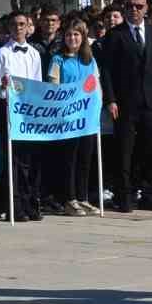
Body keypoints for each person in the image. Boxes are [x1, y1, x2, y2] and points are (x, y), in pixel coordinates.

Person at [98, 0, 152, 213]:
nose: (134, 10)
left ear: (146, 8)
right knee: (125, 152)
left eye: (139, 6)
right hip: (125, 103)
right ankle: (124, 196)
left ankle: (148, 193)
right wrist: (110, 99)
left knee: (149, 150)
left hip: (151, 102)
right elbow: (107, 71)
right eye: (130, 6)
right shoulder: (115, 35)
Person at [0, 10, 45, 221]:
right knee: (12, 161)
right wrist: (5, 88)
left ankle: (30, 202)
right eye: (14, 24)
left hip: (28, 114)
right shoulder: (2, 53)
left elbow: (38, 85)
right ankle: (15, 206)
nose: (18, 28)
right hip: (9, 112)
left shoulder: (33, 53)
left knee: (28, 161)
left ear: (28, 26)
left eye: (22, 24)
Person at [46, 20, 100, 216]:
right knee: (70, 159)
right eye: (69, 35)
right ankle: (69, 199)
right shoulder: (58, 59)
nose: (73, 38)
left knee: (85, 158)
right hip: (68, 118)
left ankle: (83, 197)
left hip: (86, 117)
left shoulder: (90, 59)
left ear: (83, 37)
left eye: (76, 35)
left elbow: (96, 84)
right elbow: (54, 86)